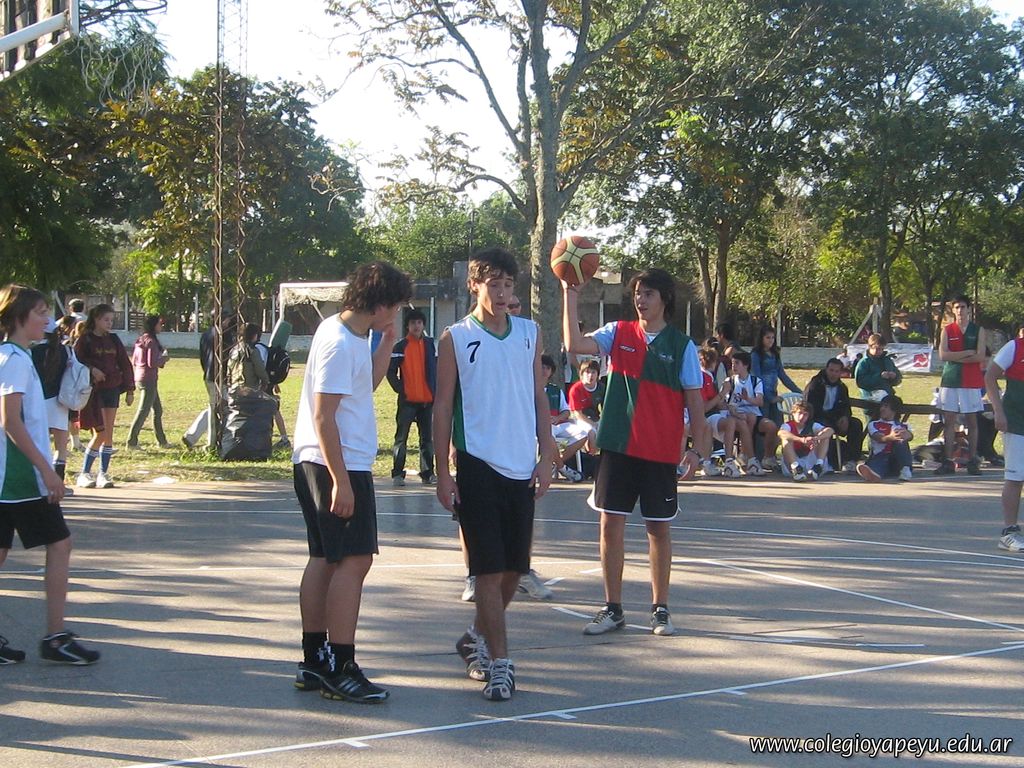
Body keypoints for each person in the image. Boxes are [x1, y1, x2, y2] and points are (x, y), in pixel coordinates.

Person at [434, 247, 556, 702]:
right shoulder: (456, 338)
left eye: (508, 285)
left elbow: (538, 397)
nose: (503, 293)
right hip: (477, 462)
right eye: (494, 284)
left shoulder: (529, 333)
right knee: (487, 569)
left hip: (521, 462)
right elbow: (442, 406)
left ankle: (474, 638)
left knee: (513, 570)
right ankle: (501, 663)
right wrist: (444, 473)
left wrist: (547, 454)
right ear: (474, 285)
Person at [291, 261, 412, 704]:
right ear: (379, 303)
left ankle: (314, 661)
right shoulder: (339, 342)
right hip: (335, 463)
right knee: (355, 561)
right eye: (395, 305)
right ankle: (342, 667)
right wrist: (340, 481)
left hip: (328, 461)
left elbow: (366, 385)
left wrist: (388, 342)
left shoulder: (352, 334)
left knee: (325, 558)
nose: (397, 312)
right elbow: (324, 417)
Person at [563, 267, 706, 638]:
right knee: (610, 524)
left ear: (665, 299)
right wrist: (570, 293)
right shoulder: (618, 333)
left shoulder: (682, 347)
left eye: (648, 294)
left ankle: (661, 609)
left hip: (659, 450)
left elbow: (695, 403)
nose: (641, 300)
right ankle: (613, 608)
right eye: (638, 293)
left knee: (658, 528)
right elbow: (574, 344)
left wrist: (698, 450)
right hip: (618, 445)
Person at [0, 284, 100, 665]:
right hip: (19, 478)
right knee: (60, 544)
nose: (47, 319)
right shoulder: (14, 360)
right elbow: (10, 420)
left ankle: (55, 636)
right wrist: (48, 471)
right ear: (18, 318)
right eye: (40, 313)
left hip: (9, 476)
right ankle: (56, 638)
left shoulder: (13, 355)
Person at [74, 304, 134, 489]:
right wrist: (92, 369)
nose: (110, 323)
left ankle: (103, 473)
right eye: (106, 319)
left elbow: (125, 364)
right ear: (96, 319)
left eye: (111, 320)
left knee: (108, 433)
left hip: (112, 389)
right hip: (93, 391)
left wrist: (130, 389)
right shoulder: (85, 339)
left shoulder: (113, 339)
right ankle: (84, 473)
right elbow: (75, 362)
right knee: (99, 432)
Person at [935, 295, 986, 476]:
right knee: (949, 420)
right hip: (950, 379)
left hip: (971, 381)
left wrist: (956, 356)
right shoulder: (947, 330)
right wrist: (966, 353)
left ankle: (972, 460)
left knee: (971, 421)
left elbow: (980, 356)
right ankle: (948, 461)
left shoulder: (978, 330)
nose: (960, 310)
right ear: (953, 309)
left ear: (968, 309)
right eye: (956, 307)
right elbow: (943, 355)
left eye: (963, 307)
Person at [386, 308, 436, 487]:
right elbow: (390, 372)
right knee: (401, 438)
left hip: (427, 401)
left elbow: (436, 369)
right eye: (413, 323)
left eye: (419, 323)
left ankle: (428, 473)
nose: (416, 326)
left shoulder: (430, 345)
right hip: (407, 401)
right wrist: (402, 389)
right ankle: (398, 474)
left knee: (427, 439)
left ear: (423, 325)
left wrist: (435, 391)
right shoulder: (401, 346)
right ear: (407, 326)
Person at [984, 329, 1024, 551]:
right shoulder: (1014, 347)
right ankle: (1009, 532)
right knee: (1016, 477)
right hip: (1017, 422)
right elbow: (990, 376)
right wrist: (998, 411)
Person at [30, 320, 73, 494]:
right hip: (60, 402)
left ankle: (40, 482)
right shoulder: (65, 351)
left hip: (37, 402)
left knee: (39, 444)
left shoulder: (32, 351)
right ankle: (59, 483)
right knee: (60, 447)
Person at [182, 313, 235, 450]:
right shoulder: (224, 336)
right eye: (227, 319)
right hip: (220, 377)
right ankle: (210, 443)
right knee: (219, 408)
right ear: (223, 320)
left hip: (208, 375)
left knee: (214, 406)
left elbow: (202, 356)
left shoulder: (205, 335)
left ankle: (192, 436)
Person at [722, 351, 778, 476]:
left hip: (753, 413)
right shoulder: (729, 381)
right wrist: (736, 412)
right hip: (736, 415)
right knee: (749, 418)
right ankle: (746, 456)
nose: (733, 366)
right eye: (732, 363)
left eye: (737, 363)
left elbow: (760, 401)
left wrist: (747, 398)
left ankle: (767, 458)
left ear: (746, 365)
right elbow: (726, 403)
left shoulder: (755, 381)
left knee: (771, 426)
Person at [804, 357, 864, 471]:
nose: (833, 374)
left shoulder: (842, 387)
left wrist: (845, 417)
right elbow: (812, 408)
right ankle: (832, 461)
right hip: (818, 418)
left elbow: (846, 406)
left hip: (836, 418)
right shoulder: (815, 385)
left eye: (837, 371)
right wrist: (834, 418)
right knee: (826, 427)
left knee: (856, 424)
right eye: (831, 370)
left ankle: (851, 460)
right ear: (826, 369)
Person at [127, 314, 170, 449]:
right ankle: (131, 442)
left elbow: (134, 360)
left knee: (157, 410)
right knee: (143, 411)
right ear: (153, 325)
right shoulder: (151, 341)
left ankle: (162, 441)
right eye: (159, 324)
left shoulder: (141, 340)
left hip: (140, 377)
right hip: (149, 379)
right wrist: (164, 359)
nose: (161, 326)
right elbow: (152, 363)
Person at [542, 354, 588, 482]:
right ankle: (563, 468)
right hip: (539, 427)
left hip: (557, 424)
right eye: (542, 367)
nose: (544, 370)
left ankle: (556, 464)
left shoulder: (556, 390)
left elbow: (566, 411)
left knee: (583, 434)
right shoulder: (529, 388)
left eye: (547, 368)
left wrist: (557, 418)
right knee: (548, 435)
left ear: (551, 371)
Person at [696, 346, 739, 478]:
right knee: (730, 423)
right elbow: (705, 407)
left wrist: (729, 406)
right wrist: (723, 393)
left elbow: (716, 402)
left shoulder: (708, 377)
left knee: (736, 422)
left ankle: (731, 460)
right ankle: (721, 461)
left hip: (714, 414)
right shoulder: (702, 377)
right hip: (705, 416)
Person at [750, 326, 802, 433]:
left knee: (778, 426)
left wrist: (798, 391)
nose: (771, 340)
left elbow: (782, 375)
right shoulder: (756, 355)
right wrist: (769, 397)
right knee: (763, 427)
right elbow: (756, 377)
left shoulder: (775, 354)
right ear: (761, 338)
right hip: (761, 395)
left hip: (774, 393)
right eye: (767, 337)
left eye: (772, 338)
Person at [856, 394, 914, 482]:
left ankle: (905, 469)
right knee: (880, 460)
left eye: (886, 406)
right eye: (881, 406)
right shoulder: (874, 424)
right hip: (880, 457)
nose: (882, 409)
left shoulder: (903, 426)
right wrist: (891, 437)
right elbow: (879, 438)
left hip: (896, 460)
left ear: (894, 409)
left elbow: (910, 436)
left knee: (901, 441)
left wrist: (908, 435)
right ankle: (874, 474)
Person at [778, 400, 834, 482]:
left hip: (810, 459)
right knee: (786, 439)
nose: (802, 417)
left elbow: (830, 430)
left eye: (805, 414)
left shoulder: (812, 425)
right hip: (793, 460)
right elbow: (781, 433)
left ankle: (818, 466)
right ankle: (796, 470)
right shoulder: (787, 425)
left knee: (824, 437)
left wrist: (815, 438)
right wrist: (802, 440)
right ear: (793, 413)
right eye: (799, 413)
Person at [854, 333, 902, 403]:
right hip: (870, 398)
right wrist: (879, 376)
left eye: (881, 349)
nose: (879, 351)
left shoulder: (887, 360)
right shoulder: (864, 363)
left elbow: (898, 379)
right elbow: (860, 382)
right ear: (870, 346)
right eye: (877, 348)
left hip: (888, 396)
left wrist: (894, 377)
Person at [227, 322, 270, 391]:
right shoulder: (252, 351)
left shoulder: (234, 350)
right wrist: (265, 381)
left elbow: (229, 369)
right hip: (249, 389)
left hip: (234, 387)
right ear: (255, 335)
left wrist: (229, 383)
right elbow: (260, 369)